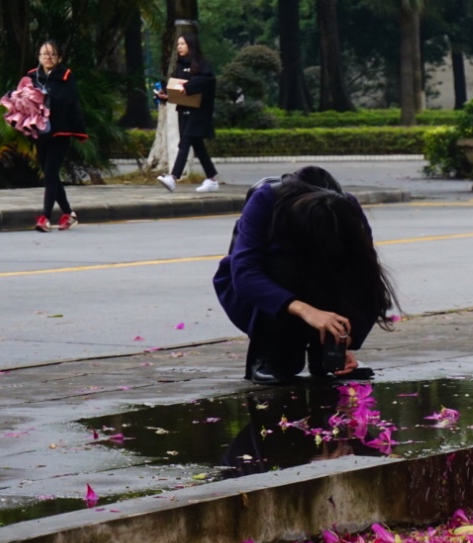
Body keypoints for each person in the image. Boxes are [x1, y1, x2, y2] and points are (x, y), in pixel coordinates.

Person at [212, 167, 397, 384]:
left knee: (356, 271)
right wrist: (307, 311)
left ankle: (326, 354)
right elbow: (244, 274)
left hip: (319, 282)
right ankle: (269, 354)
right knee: (282, 265)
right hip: (262, 290)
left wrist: (343, 340)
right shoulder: (267, 199)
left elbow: (366, 274)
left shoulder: (347, 207)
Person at [28, 41, 87, 232]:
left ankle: (45, 217)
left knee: (51, 173)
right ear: (38, 57)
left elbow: (69, 99)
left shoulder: (65, 76)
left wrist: (47, 98)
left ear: (59, 57)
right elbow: (23, 98)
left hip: (61, 131)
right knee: (49, 174)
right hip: (41, 133)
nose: (48, 57)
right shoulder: (31, 76)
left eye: (52, 54)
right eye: (44, 54)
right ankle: (69, 213)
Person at [155, 31, 220, 193]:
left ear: (191, 45)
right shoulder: (180, 66)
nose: (179, 47)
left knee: (185, 142)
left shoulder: (203, 64)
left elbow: (208, 81)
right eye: (178, 44)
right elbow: (177, 88)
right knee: (197, 145)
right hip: (184, 111)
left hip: (199, 112)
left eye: (182, 44)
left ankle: (173, 177)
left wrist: (188, 87)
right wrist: (165, 96)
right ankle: (211, 178)